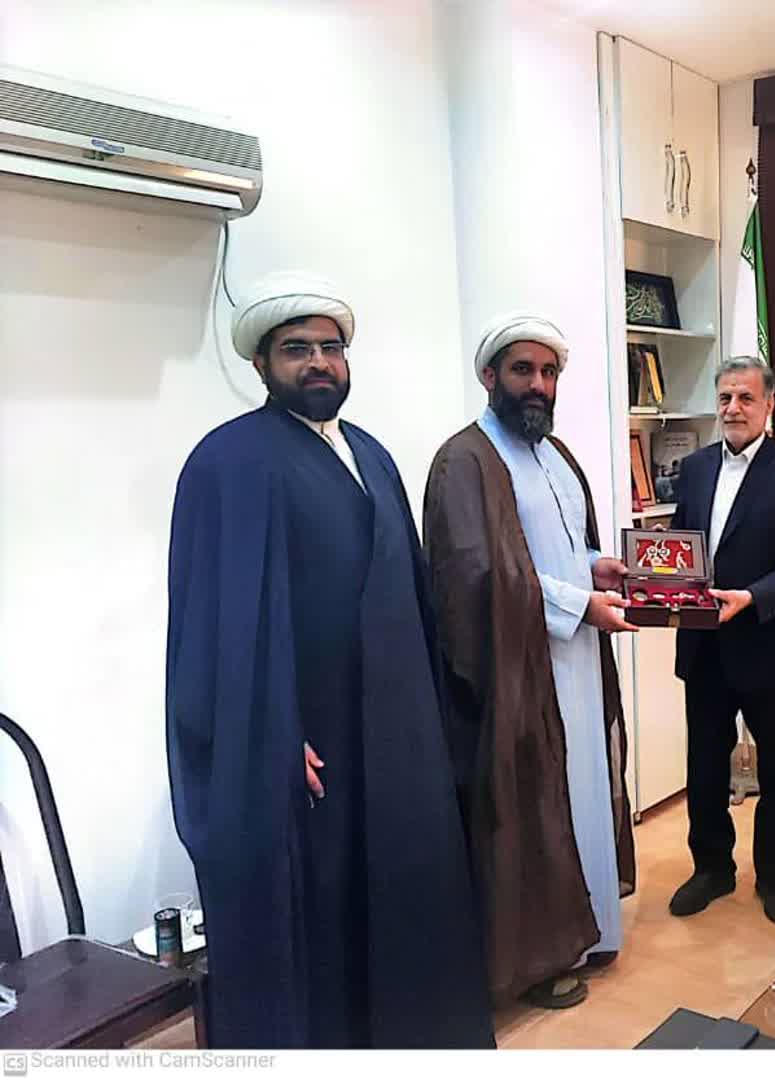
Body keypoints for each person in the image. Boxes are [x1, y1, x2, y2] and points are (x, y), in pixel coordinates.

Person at [165, 272, 494, 1048]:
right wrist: (271, 738)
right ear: (260, 364)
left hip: (395, 738)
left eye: (330, 347)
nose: (318, 362)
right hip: (314, 752)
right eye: (296, 349)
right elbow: (216, 630)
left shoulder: (371, 454)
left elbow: (410, 594)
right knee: (328, 935)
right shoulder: (229, 462)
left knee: (407, 912)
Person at [423, 313, 637, 1011]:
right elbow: (476, 577)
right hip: (515, 673)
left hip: (575, 660)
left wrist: (596, 566)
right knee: (534, 808)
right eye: (523, 370)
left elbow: (559, 549)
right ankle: (538, 958)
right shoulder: (464, 460)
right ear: (490, 376)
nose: (537, 385)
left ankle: (586, 932)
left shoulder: (557, 455)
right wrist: (580, 605)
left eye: (548, 372)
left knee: (579, 792)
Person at [666, 355, 775, 926]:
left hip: (772, 644)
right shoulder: (694, 468)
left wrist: (754, 597)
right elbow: (682, 547)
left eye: (745, 398)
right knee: (705, 766)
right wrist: (655, 584)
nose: (733, 409)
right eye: (725, 398)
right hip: (705, 646)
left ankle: (774, 878)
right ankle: (711, 868)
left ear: (769, 405)